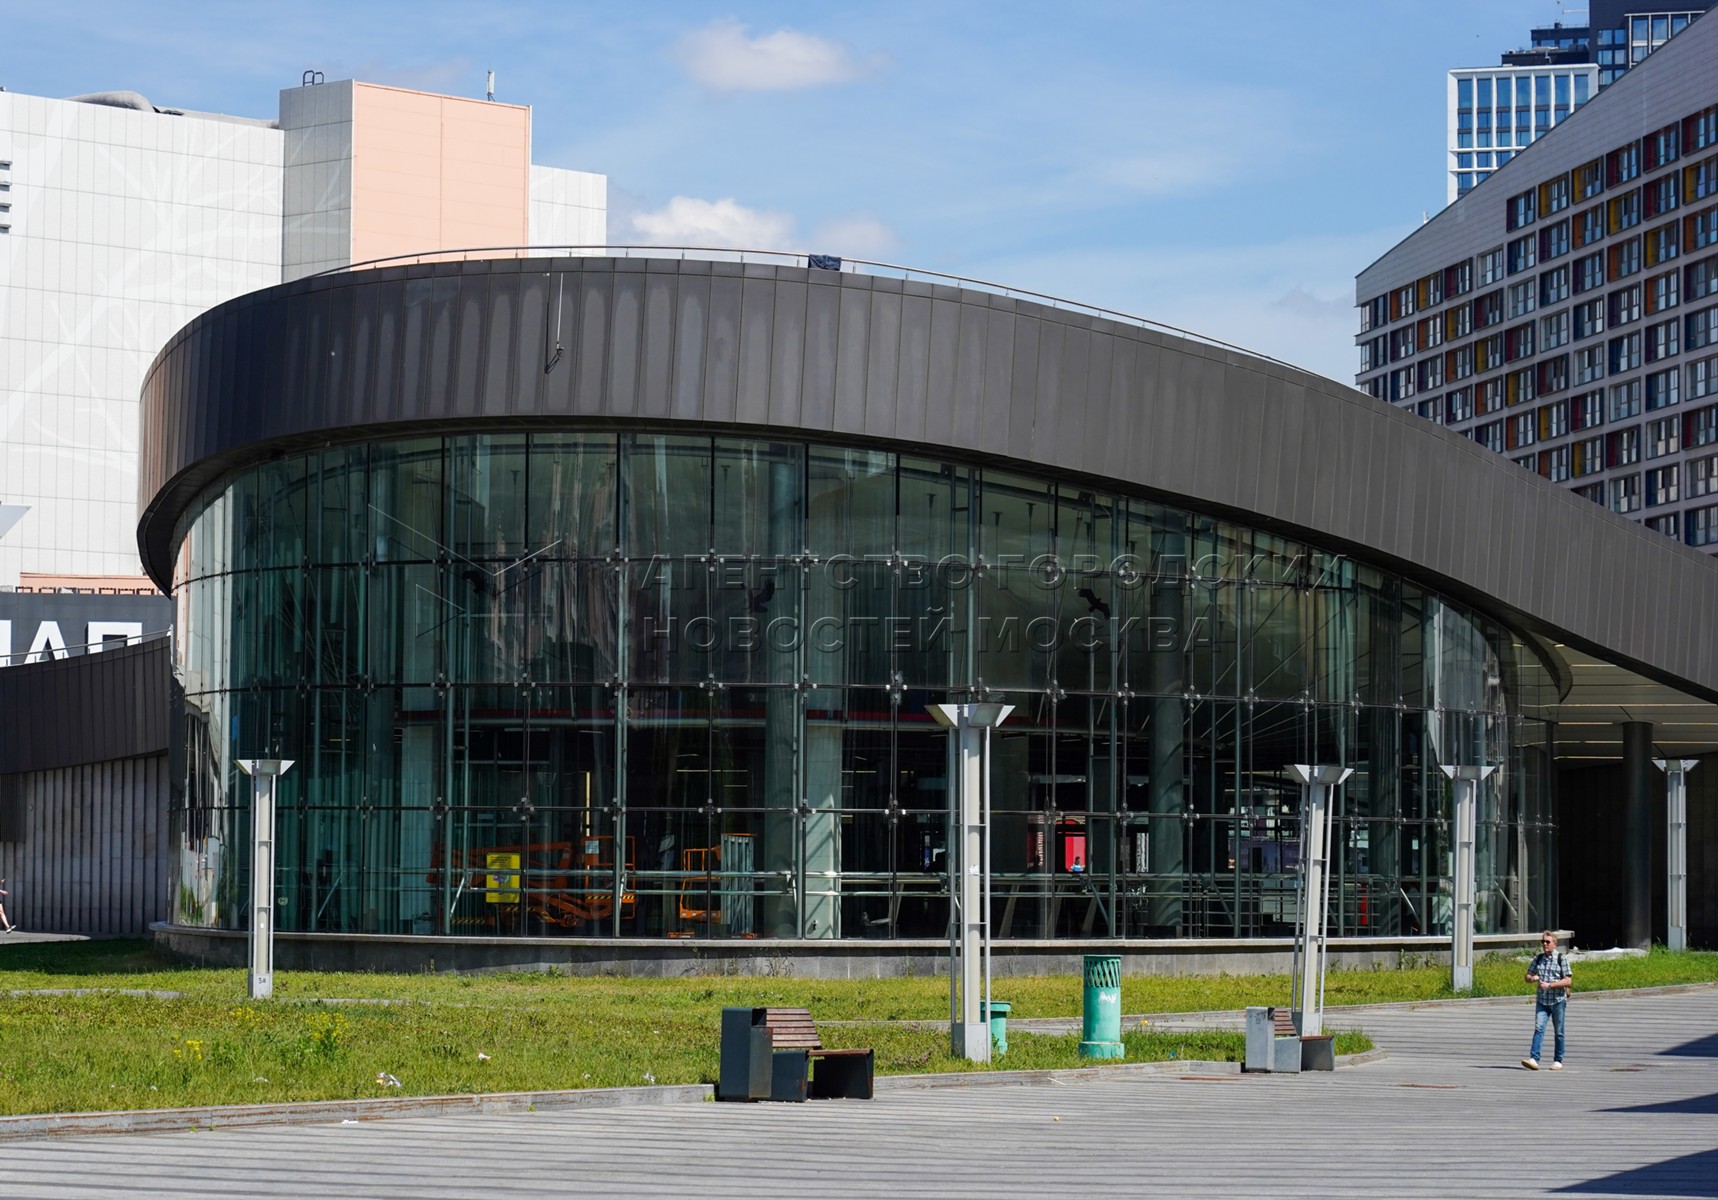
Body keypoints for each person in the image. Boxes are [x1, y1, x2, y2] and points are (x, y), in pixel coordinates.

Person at [1522, 930, 1571, 1069]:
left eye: (1547, 942)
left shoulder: (1561, 959)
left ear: (1554, 944)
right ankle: (1534, 1059)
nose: (1544, 944)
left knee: (1559, 1031)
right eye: (1543, 941)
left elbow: (1568, 980)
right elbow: (1527, 976)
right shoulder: (1538, 958)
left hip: (1558, 1000)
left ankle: (1558, 1060)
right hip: (1542, 1001)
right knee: (1539, 1028)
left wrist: (1550, 985)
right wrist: (1532, 978)